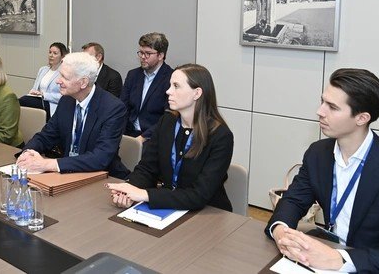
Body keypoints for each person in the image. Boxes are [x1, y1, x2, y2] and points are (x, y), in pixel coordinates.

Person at [266, 68, 379, 273]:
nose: (320, 111)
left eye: (332, 107)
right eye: (322, 101)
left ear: (362, 118)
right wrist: (281, 231)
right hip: (322, 259)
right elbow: (293, 201)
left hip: (369, 266)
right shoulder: (318, 153)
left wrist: (341, 259)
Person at [106, 64, 234, 211]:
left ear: (197, 93)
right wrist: (128, 190)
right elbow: (147, 169)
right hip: (169, 206)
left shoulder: (220, 136)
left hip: (207, 213)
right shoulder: (167, 122)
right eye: (170, 85)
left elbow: (199, 195)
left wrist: (144, 195)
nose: (168, 91)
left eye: (176, 86)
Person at [16, 52, 129, 179]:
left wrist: (48, 164)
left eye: (64, 77)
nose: (58, 81)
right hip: (67, 174)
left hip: (103, 177)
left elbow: (100, 158)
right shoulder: (66, 100)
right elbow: (46, 135)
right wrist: (28, 152)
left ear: (83, 82)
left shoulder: (113, 108)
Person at [120, 32, 173, 142]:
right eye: (141, 53)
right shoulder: (133, 75)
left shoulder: (171, 78)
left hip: (154, 137)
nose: (143, 57)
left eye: (148, 53)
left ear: (160, 55)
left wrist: (143, 138)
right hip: (128, 133)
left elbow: (168, 117)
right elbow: (123, 107)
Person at [19, 42, 68, 119]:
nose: (51, 55)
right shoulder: (43, 70)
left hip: (51, 104)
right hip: (38, 100)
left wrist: (44, 95)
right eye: (50, 52)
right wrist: (33, 92)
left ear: (62, 57)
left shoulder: (64, 73)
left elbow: (63, 97)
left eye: (55, 53)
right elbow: (34, 88)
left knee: (22, 101)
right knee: (20, 101)